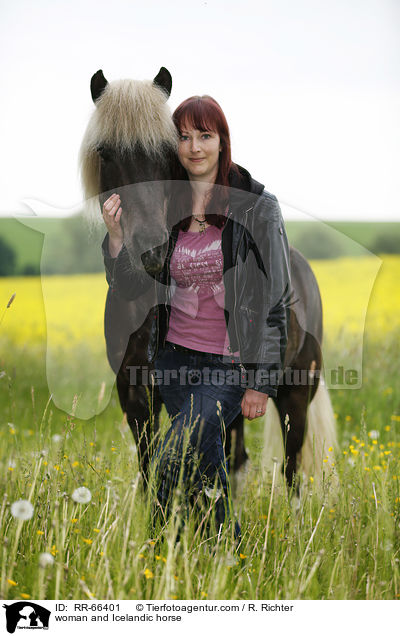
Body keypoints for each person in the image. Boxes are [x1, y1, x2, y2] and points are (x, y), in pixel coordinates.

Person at [101, 95, 291, 547]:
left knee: (169, 460)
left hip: (226, 367)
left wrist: (261, 382)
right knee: (208, 475)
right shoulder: (170, 207)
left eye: (205, 136)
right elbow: (131, 286)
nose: (194, 147)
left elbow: (276, 299)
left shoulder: (258, 207)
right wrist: (114, 240)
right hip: (173, 365)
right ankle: (227, 562)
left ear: (223, 142)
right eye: (183, 137)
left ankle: (154, 556)